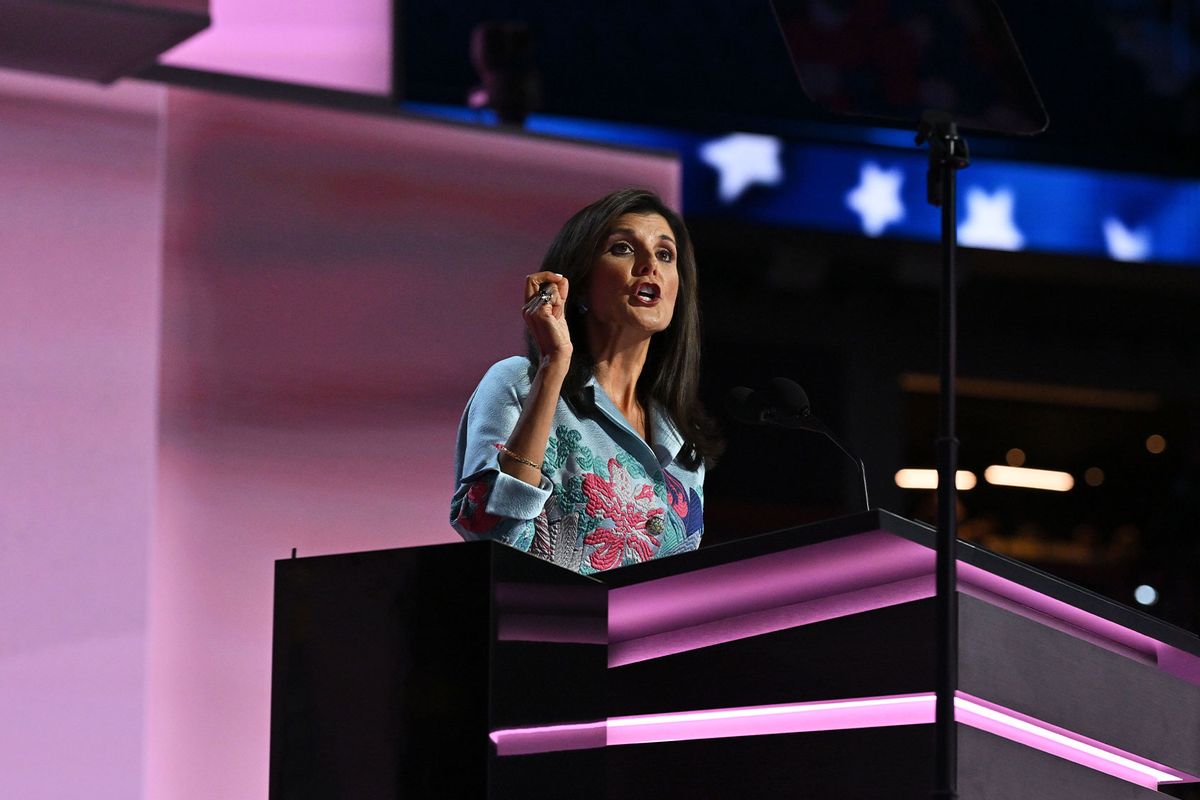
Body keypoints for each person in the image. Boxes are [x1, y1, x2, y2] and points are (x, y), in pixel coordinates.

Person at [450, 188, 722, 574]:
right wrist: (553, 365)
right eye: (624, 248)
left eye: (665, 254)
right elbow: (489, 531)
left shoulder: (682, 443)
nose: (649, 265)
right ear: (578, 283)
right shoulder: (519, 383)